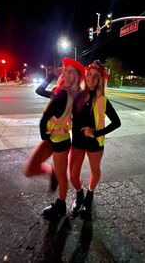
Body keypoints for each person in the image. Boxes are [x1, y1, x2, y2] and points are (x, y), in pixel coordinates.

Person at [69, 60, 121, 220]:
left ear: (100, 80)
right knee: (72, 175)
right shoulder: (77, 95)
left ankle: (90, 195)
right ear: (86, 76)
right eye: (89, 75)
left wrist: (96, 132)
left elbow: (117, 122)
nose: (91, 79)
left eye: (96, 77)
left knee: (95, 170)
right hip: (77, 142)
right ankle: (79, 194)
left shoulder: (102, 100)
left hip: (94, 143)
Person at [38, 58, 85, 221]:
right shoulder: (63, 93)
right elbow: (39, 90)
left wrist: (44, 135)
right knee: (58, 172)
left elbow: (44, 118)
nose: (65, 72)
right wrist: (52, 74)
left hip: (59, 141)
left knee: (61, 175)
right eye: (65, 70)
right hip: (59, 139)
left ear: (77, 77)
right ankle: (61, 202)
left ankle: (61, 205)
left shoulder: (64, 95)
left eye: (71, 71)